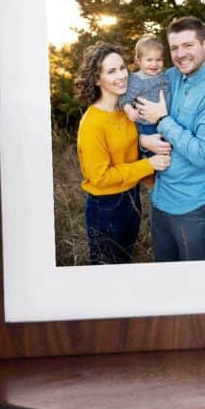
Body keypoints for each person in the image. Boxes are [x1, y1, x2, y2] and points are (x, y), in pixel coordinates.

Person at [136, 17, 205, 262]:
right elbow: (137, 103)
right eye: (174, 48)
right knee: (165, 277)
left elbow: (204, 155)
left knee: (192, 284)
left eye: (188, 45)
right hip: (160, 198)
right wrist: (143, 142)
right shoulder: (169, 77)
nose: (180, 54)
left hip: (193, 205)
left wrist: (162, 120)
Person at [75, 42, 171, 265]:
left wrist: (143, 141)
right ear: (97, 80)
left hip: (132, 197)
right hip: (106, 205)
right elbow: (100, 176)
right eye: (111, 71)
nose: (121, 76)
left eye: (121, 68)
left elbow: (124, 144)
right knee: (106, 269)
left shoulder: (126, 111)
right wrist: (149, 165)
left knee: (125, 261)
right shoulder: (92, 124)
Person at [119, 36, 171, 158]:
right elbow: (124, 98)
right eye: (149, 60)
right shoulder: (136, 79)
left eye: (158, 60)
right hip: (146, 125)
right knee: (154, 153)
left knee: (166, 152)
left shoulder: (164, 76)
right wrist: (129, 110)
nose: (154, 64)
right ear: (138, 61)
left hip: (164, 121)